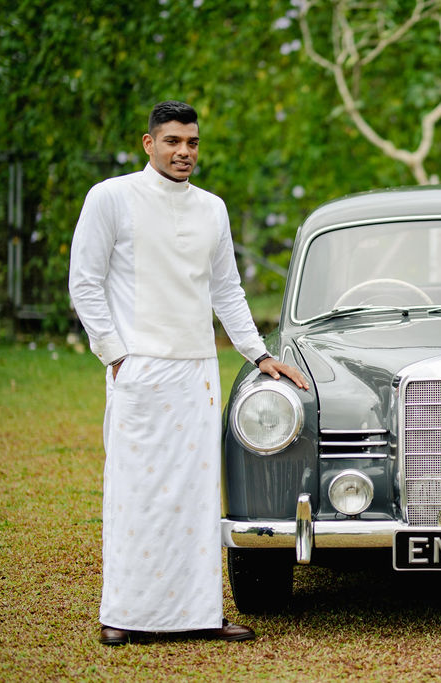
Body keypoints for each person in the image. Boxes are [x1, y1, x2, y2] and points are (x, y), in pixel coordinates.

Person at [69, 100, 309, 646]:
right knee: (136, 491)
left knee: (197, 494)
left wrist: (257, 354)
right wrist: (115, 354)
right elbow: (84, 280)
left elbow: (226, 288)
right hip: (139, 369)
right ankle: (124, 615)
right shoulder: (111, 197)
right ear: (148, 143)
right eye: (173, 141)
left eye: (193, 142)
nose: (184, 152)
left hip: (196, 368)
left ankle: (200, 615)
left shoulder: (212, 208)